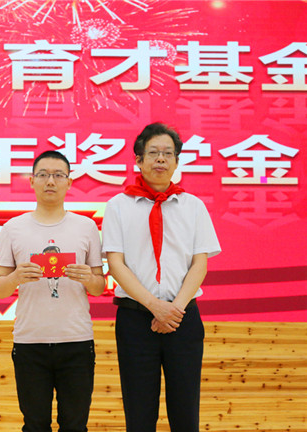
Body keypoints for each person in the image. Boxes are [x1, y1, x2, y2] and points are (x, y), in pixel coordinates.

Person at [102, 123, 221, 432]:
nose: (160, 159)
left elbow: (199, 263)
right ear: (138, 160)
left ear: (176, 161)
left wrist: (173, 310)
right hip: (135, 320)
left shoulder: (193, 206)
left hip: (183, 319)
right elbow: (115, 263)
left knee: (185, 412)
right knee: (139, 414)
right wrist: (155, 306)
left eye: (168, 153)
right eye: (153, 152)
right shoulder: (118, 206)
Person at [0, 150, 105, 432]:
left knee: (75, 426)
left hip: (77, 340)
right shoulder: (13, 228)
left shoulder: (86, 226)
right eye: (43, 175)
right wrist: (16, 277)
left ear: (69, 182)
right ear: (32, 181)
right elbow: (0, 288)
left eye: (58, 175)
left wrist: (88, 278)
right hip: (30, 342)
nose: (50, 181)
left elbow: (99, 286)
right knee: (34, 425)